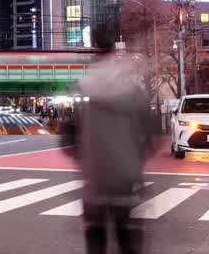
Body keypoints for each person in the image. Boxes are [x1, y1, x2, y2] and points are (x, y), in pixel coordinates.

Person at [65, 25, 154, 254]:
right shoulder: (132, 88)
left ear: (94, 46)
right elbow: (149, 133)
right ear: (116, 46)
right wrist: (136, 160)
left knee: (96, 240)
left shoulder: (83, 86)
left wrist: (84, 160)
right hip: (125, 177)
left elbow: (68, 138)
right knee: (127, 239)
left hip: (95, 178)